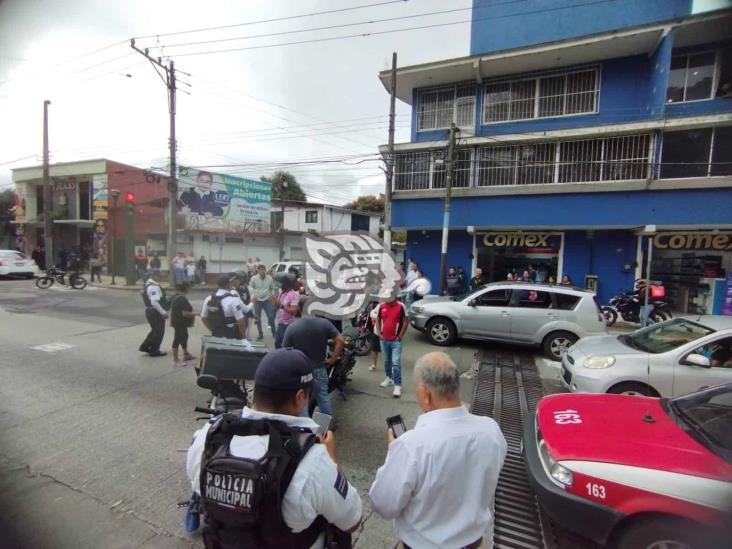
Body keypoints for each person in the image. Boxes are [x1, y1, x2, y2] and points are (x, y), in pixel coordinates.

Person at [186, 348, 363, 548]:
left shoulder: (208, 437)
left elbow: (198, 488)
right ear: (299, 398)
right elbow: (352, 520)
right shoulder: (314, 462)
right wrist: (332, 459)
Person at [369, 352, 507, 549]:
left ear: (426, 394)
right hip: (475, 543)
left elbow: (383, 504)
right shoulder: (491, 430)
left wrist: (395, 452)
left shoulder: (411, 446)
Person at [282, 304, 346, 420]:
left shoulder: (292, 327)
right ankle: (324, 430)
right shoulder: (324, 323)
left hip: (300, 371)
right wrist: (332, 359)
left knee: (302, 401)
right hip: (319, 368)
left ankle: (306, 432)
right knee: (323, 397)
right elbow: (341, 340)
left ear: (299, 309)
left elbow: (284, 351)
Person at [374, 293, 408, 398]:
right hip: (384, 340)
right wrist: (380, 334)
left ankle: (397, 385)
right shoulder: (382, 306)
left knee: (396, 363)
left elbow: (406, 321)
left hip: (395, 341)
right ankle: (389, 378)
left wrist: (400, 336)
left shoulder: (401, 306)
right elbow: (378, 319)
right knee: (386, 361)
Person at [201, 273, 249, 339]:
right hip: (232, 336)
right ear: (229, 285)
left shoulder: (209, 298)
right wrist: (243, 336)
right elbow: (241, 322)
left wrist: (213, 330)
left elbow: (203, 318)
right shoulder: (233, 300)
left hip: (216, 335)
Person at [139, 271, 168, 357]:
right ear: (154, 276)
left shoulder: (148, 284)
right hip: (155, 312)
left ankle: (145, 346)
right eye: (159, 276)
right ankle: (155, 350)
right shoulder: (153, 287)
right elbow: (154, 302)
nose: (161, 278)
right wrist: (163, 312)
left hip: (151, 311)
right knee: (159, 332)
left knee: (155, 331)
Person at [170, 282, 197, 367]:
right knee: (178, 338)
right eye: (189, 287)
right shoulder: (181, 298)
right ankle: (175, 360)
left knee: (184, 336)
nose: (190, 289)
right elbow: (185, 313)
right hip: (179, 322)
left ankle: (186, 354)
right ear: (185, 288)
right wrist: (197, 313)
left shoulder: (177, 295)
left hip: (178, 321)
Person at [250, 264, 277, 341]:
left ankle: (274, 333)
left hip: (267, 300)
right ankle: (260, 334)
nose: (262, 271)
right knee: (257, 318)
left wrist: (271, 295)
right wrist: (253, 296)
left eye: (263, 269)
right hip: (257, 300)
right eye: (260, 270)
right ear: (258, 271)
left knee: (271, 317)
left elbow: (273, 288)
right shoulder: (253, 278)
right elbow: (250, 288)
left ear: (265, 270)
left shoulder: (269, 278)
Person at [275, 278, 301, 348]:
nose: (280, 285)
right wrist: (274, 301)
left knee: (285, 346)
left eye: (281, 283)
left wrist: (282, 306)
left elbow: (294, 311)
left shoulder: (293, 295)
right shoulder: (282, 293)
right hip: (280, 323)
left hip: (288, 324)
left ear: (286, 284)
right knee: (277, 345)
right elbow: (278, 307)